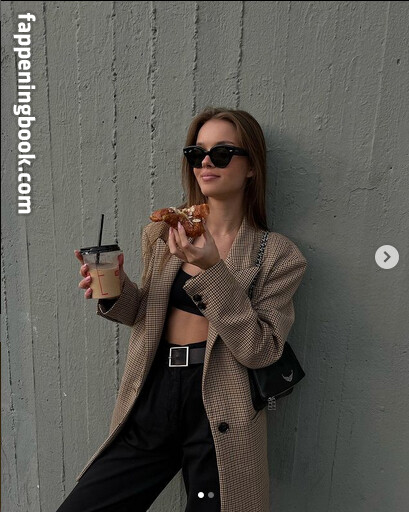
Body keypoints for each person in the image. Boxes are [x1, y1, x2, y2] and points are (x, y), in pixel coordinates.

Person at [58, 107, 308, 512]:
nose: (206, 162)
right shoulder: (162, 233)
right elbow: (145, 315)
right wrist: (116, 289)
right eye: (197, 153)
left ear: (251, 168)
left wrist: (212, 270)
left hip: (219, 405)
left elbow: (261, 349)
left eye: (222, 153)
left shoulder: (277, 255)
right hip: (153, 392)